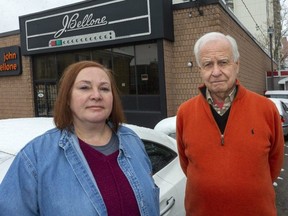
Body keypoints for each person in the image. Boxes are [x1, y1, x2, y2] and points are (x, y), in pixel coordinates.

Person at [0, 61, 160, 216]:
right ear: (67, 98)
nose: (96, 95)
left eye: (104, 88)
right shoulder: (35, 157)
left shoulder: (132, 141)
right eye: (85, 87)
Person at [176, 32, 284, 216]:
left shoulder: (266, 109)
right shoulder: (185, 112)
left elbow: (274, 163)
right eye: (208, 64)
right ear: (200, 69)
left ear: (237, 64)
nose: (216, 72)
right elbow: (186, 164)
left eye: (223, 62)